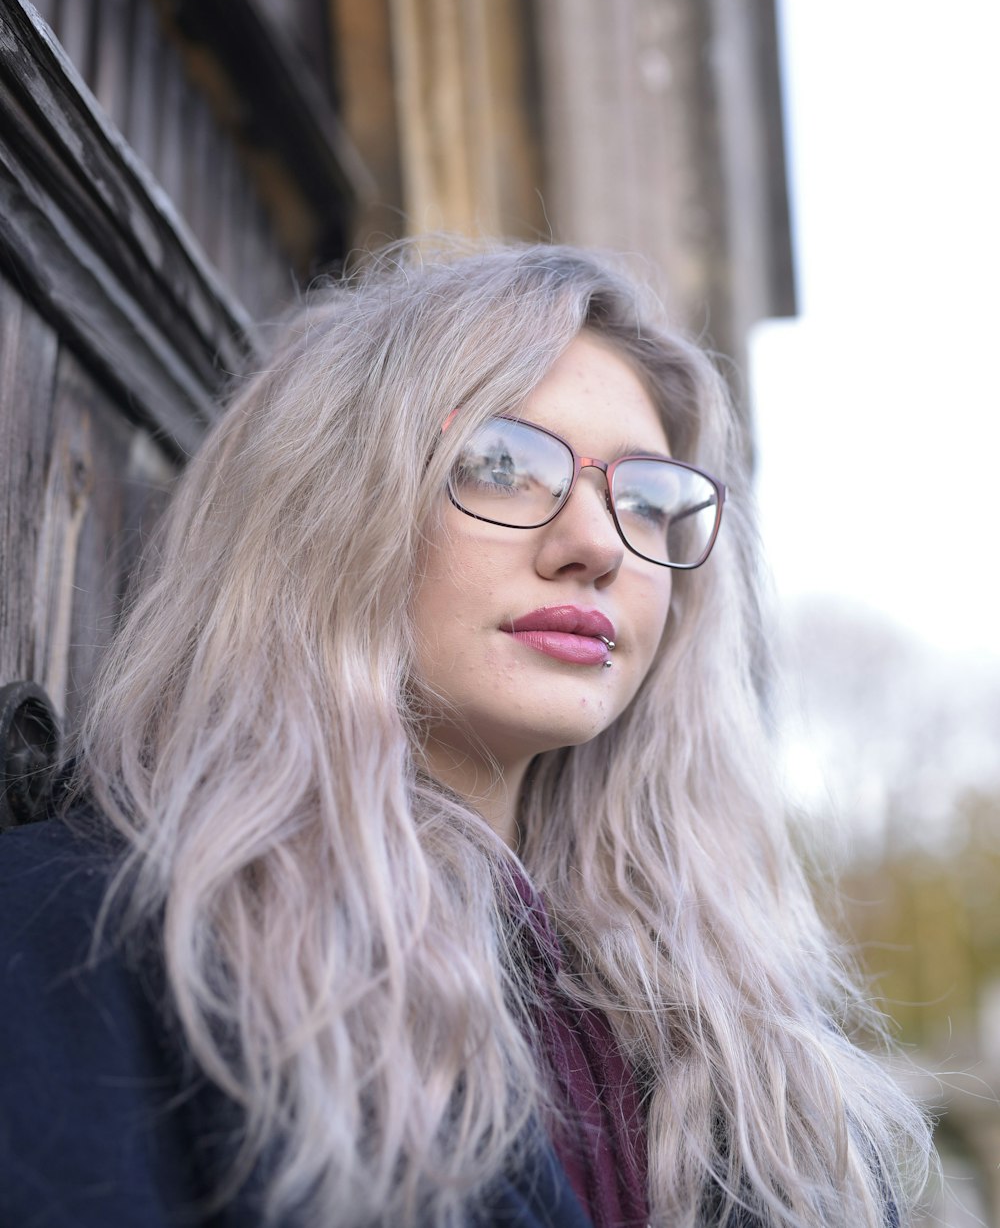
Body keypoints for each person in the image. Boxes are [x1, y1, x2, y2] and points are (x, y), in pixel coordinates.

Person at [0, 241, 930, 1227]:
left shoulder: (757, 1052)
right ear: (326, 508)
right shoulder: (76, 937)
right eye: (502, 464)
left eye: (649, 501)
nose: (596, 545)